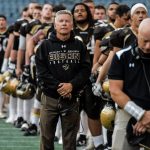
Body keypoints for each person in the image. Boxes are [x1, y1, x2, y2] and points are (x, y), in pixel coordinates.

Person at [35, 10, 91, 150]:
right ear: (55, 25)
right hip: (49, 98)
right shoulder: (44, 46)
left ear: (72, 25)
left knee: (70, 140)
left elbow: (85, 71)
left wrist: (71, 85)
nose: (64, 24)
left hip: (72, 99)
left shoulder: (80, 46)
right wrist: (61, 88)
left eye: (67, 21)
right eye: (61, 21)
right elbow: (42, 73)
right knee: (46, 139)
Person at [108, 18, 150, 150]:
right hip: (127, 110)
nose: (148, 46)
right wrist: (141, 115)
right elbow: (115, 91)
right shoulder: (122, 56)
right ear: (137, 35)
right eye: (145, 41)